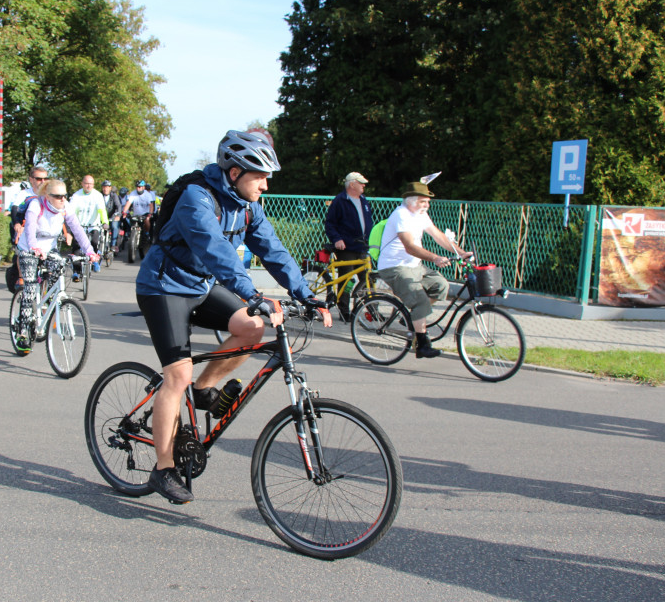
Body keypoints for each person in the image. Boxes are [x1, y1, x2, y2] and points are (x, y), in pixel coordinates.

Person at [136, 129, 332, 504]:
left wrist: (305, 294)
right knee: (177, 375)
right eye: (260, 177)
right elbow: (215, 251)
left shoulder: (247, 206)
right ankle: (163, 468)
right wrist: (254, 294)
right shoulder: (197, 198)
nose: (265, 185)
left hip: (201, 285)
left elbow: (272, 250)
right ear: (235, 173)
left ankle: (203, 389)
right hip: (163, 287)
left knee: (252, 327)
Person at [376, 179, 471, 358]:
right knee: (420, 301)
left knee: (440, 286)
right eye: (423, 201)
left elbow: (438, 236)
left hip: (414, 265)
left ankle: (413, 318)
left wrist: (461, 253)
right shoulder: (401, 215)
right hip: (394, 267)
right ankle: (422, 345)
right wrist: (435, 258)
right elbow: (410, 247)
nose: (427, 205)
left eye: (428, 201)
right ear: (411, 201)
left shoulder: (420, 214)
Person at [15, 179, 99, 351]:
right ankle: (23, 331)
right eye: (58, 196)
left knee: (59, 268)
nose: (62, 199)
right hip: (29, 248)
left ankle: (47, 304)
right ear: (48, 196)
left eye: (64, 196)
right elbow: (30, 228)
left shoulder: (65, 207)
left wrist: (90, 251)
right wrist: (34, 247)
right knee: (29, 286)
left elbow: (77, 230)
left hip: (49, 248)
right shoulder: (36, 205)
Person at [324, 171, 375, 318]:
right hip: (347, 247)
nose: (364, 185)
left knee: (368, 278)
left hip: (362, 245)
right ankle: (344, 311)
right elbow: (330, 223)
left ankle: (372, 310)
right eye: (361, 183)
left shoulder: (363, 200)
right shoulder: (340, 200)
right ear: (352, 184)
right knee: (346, 279)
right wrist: (337, 239)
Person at [69, 175, 108, 280]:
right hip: (80, 226)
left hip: (93, 225)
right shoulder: (76, 195)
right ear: (82, 184)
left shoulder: (98, 195)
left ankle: (95, 260)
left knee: (94, 241)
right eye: (86, 183)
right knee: (77, 247)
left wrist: (105, 222)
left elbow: (102, 210)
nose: (88, 186)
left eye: (91, 184)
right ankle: (76, 271)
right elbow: (71, 211)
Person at [122, 179, 156, 246]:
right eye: (137, 187)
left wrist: (150, 214)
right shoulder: (133, 193)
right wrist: (124, 212)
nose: (138, 188)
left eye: (140, 187)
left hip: (145, 213)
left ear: (143, 187)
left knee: (147, 220)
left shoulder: (148, 195)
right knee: (130, 222)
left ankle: (147, 233)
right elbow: (128, 203)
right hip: (136, 214)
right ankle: (132, 236)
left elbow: (151, 206)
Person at [101, 180, 123, 253]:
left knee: (114, 226)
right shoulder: (99, 196)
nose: (105, 189)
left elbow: (118, 206)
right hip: (102, 218)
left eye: (107, 187)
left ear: (110, 188)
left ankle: (113, 245)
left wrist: (118, 215)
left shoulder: (114, 196)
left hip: (112, 217)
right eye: (104, 187)